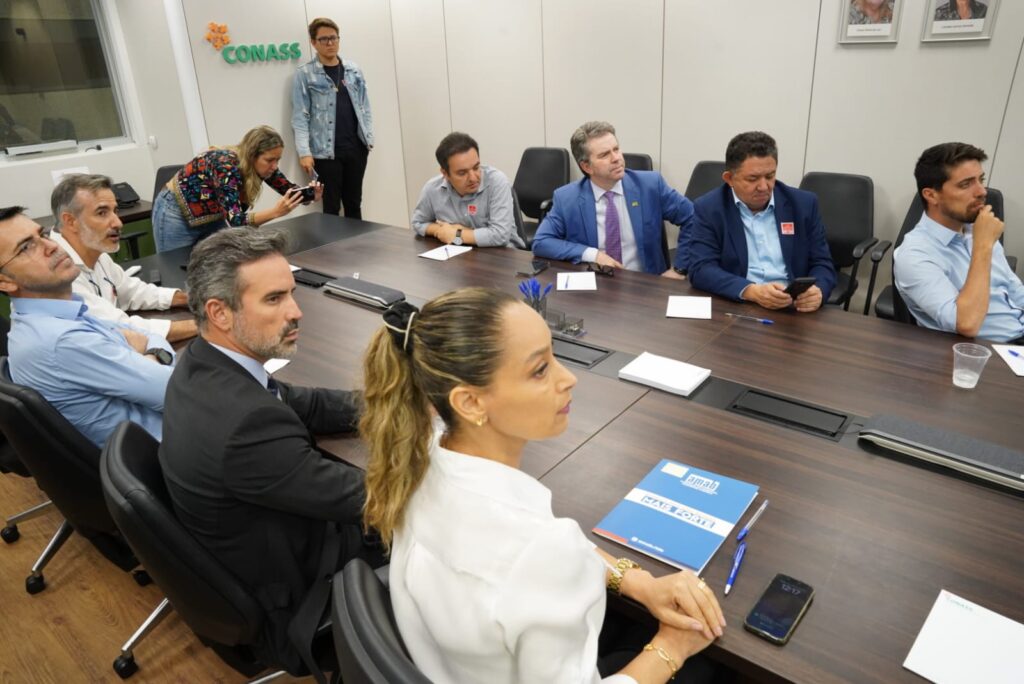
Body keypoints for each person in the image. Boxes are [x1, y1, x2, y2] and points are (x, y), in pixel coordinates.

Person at [361, 287, 723, 683]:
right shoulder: (539, 549)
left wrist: (637, 582)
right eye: (539, 370)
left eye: (554, 356)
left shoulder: (420, 454)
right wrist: (673, 646)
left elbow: (543, 550)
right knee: (710, 667)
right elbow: (539, 553)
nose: (569, 378)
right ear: (470, 402)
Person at [158, 227, 382, 676]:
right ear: (220, 313)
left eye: (291, 294)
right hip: (304, 592)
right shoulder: (245, 425)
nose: (296, 312)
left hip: (265, 548)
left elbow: (302, 403)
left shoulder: (206, 363)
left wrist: (392, 404)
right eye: (274, 299)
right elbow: (368, 497)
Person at [0, 206, 173, 448]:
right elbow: (177, 390)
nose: (51, 246)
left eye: (43, 234)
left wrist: (147, 353)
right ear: (5, 282)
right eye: (26, 247)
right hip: (175, 447)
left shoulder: (52, 314)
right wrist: (153, 353)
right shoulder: (60, 340)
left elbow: (145, 336)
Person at [686, 131, 836, 312]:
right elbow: (701, 269)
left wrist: (818, 291)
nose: (764, 187)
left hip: (793, 308)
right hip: (740, 305)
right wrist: (751, 291)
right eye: (753, 179)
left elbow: (823, 264)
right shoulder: (709, 208)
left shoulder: (803, 204)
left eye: (770, 176)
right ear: (729, 179)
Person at [894, 143, 1023, 343]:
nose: (982, 191)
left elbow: (1016, 291)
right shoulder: (914, 255)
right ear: (931, 195)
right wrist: (983, 246)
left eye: (981, 180)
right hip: (987, 350)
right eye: (965, 184)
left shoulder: (977, 231)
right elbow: (967, 323)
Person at [532, 121, 693, 277]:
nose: (616, 158)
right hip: (595, 283)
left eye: (616, 149)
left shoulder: (650, 186)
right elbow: (541, 242)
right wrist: (593, 255)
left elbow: (693, 218)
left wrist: (679, 269)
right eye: (604, 155)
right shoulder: (567, 198)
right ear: (586, 166)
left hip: (645, 284)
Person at [50, 174, 197, 342]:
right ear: (70, 221)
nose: (118, 223)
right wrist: (203, 325)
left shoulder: (93, 249)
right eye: (102, 213)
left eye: (115, 211)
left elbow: (131, 291)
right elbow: (120, 329)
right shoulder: (57, 273)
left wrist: (188, 298)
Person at [151, 125, 322, 252]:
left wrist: (310, 194)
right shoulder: (225, 166)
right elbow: (236, 221)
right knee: (174, 268)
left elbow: (289, 190)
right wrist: (275, 212)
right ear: (252, 155)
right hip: (176, 212)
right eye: (270, 160)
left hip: (212, 213)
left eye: (277, 160)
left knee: (220, 263)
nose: (274, 166)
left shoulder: (264, 167)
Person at [291, 17, 373, 219]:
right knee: (331, 207)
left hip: (356, 148)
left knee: (354, 203)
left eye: (333, 38)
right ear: (313, 42)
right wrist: (304, 152)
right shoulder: (305, 74)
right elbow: (300, 117)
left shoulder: (353, 70)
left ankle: (358, 240)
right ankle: (333, 242)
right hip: (325, 153)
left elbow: (365, 107)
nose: (330, 43)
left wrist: (368, 138)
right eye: (323, 39)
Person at [411, 132, 524, 248]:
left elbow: (500, 235)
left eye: (476, 167)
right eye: (462, 173)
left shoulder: (497, 182)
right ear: (445, 173)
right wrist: (441, 230)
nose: (473, 178)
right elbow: (418, 222)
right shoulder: (432, 189)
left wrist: (457, 234)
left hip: (502, 254)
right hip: (459, 253)